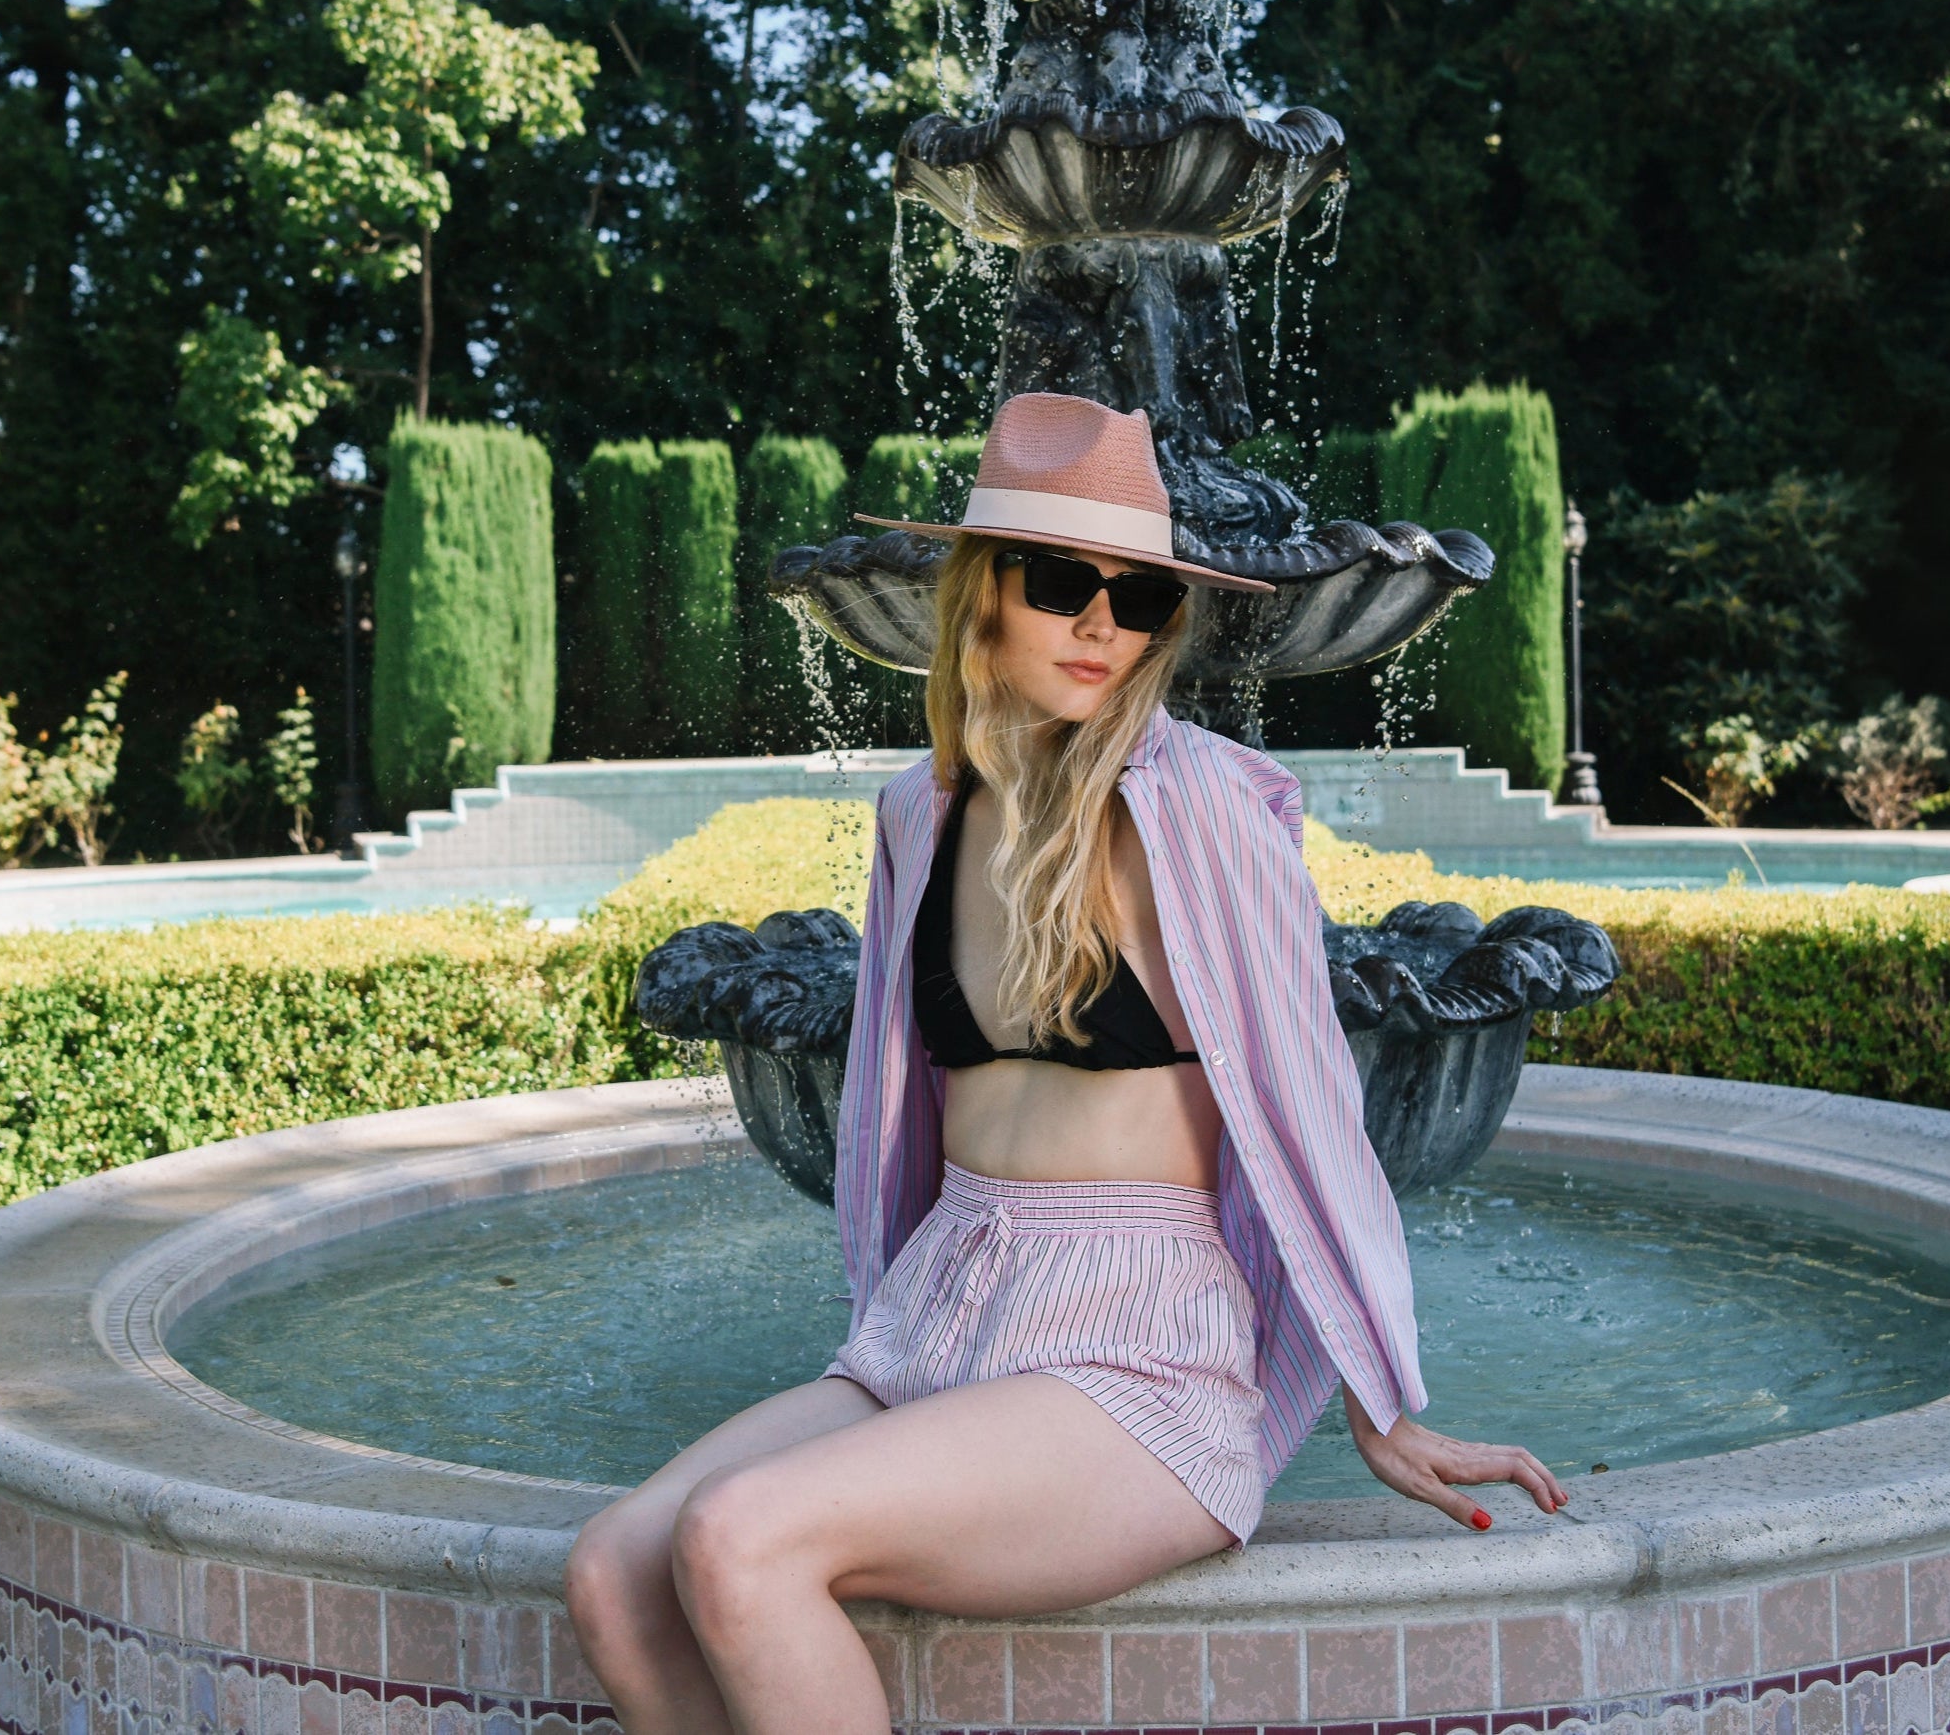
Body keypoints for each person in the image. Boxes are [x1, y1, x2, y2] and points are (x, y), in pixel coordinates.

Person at [564, 392, 1567, 1735]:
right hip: (938, 1318)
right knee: (615, 1574)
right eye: (1058, 582)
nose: (1101, 624)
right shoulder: (921, 811)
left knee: (742, 1538)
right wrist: (878, 1326)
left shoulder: (1202, 806)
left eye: (1138, 595)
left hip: (1131, 1358)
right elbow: (891, 1117)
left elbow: (1308, 1107)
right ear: (982, 592)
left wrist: (1380, 1396)